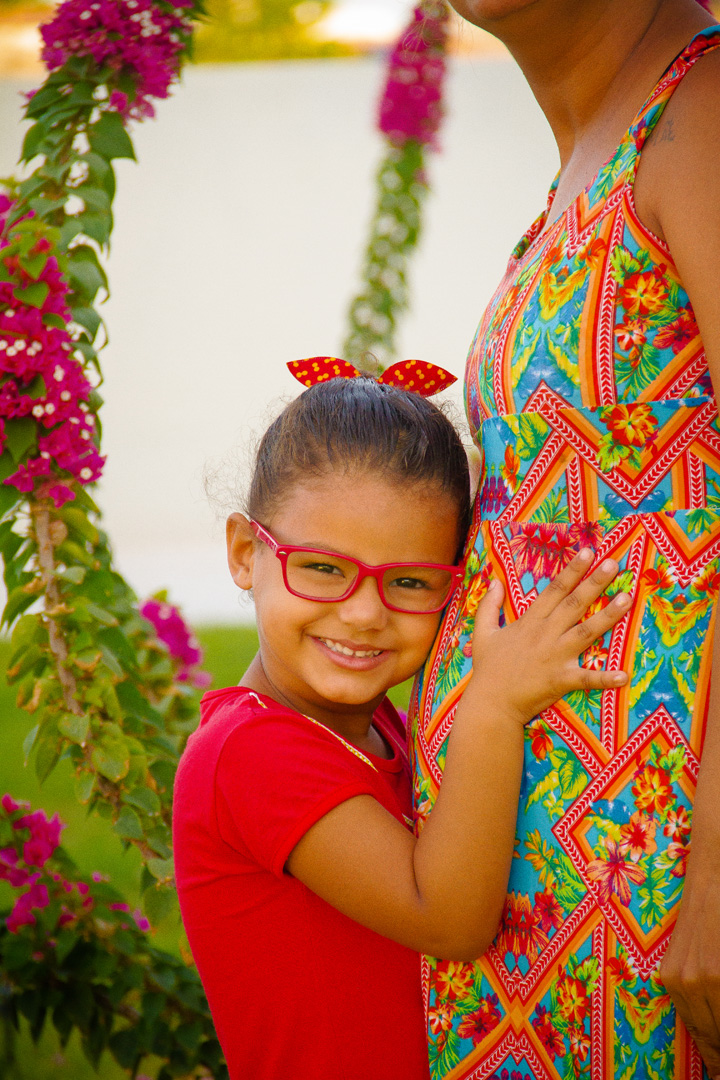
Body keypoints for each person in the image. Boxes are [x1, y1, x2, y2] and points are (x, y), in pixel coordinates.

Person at [411, 2, 720, 1079]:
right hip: (542, 907)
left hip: (659, 885)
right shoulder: (595, 148)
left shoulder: (702, 110)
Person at [172, 360, 631, 1080]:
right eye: (322, 569)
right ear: (244, 553)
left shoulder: (374, 725)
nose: (363, 613)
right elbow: (445, 917)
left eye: (411, 582)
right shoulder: (246, 752)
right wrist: (493, 706)